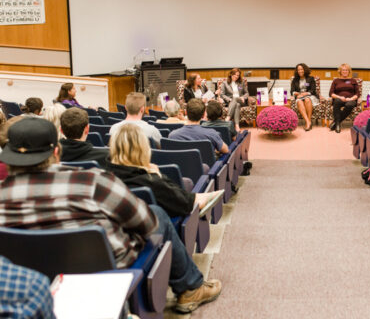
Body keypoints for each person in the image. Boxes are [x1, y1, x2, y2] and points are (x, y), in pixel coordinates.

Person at [0, 118, 222, 313]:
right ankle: (191, 287)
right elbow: (145, 222)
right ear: (56, 151)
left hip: (29, 280)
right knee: (157, 213)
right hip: (105, 270)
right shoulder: (91, 182)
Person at [105, 123, 223, 217]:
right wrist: (157, 175)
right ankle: (196, 199)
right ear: (143, 147)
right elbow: (179, 201)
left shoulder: (103, 175)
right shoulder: (150, 181)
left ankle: (195, 197)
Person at [328, 63, 359, 133]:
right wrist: (340, 97)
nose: (345, 72)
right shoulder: (336, 81)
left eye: (346, 70)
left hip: (350, 99)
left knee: (349, 105)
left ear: (349, 71)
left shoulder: (353, 81)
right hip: (339, 98)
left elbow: (357, 94)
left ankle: (336, 122)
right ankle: (338, 125)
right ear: (340, 71)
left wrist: (351, 99)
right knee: (337, 102)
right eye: (343, 70)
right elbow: (331, 93)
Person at [291, 63, 320, 131]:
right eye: (298, 70)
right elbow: (292, 91)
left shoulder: (311, 78)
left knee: (307, 99)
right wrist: (297, 93)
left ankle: (309, 120)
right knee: (299, 102)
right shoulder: (295, 80)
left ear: (305, 70)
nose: (300, 71)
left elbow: (313, 90)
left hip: (310, 96)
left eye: (301, 69)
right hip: (299, 96)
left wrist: (304, 94)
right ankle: (308, 122)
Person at [220, 68, 249, 133]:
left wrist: (243, 97)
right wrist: (229, 99)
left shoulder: (241, 82)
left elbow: (247, 93)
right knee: (237, 105)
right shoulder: (225, 83)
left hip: (241, 101)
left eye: (238, 75)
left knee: (236, 100)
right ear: (231, 74)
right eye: (234, 75)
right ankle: (237, 125)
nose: (236, 77)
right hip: (230, 102)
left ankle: (228, 117)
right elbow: (222, 94)